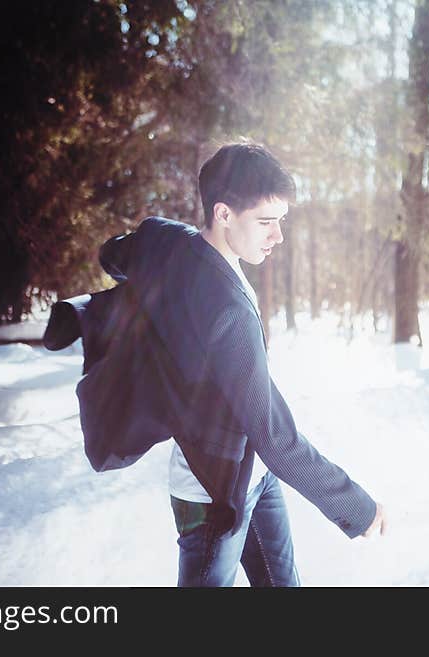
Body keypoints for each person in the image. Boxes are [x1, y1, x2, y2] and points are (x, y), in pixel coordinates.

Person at [48, 141, 386, 587]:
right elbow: (275, 437)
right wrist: (356, 507)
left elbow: (116, 253)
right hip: (212, 493)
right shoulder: (230, 313)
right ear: (223, 213)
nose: (278, 236)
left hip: (255, 476)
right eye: (266, 223)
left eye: (281, 221)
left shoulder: (167, 239)